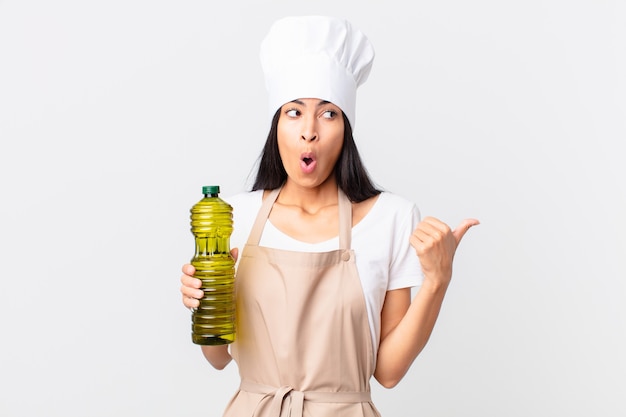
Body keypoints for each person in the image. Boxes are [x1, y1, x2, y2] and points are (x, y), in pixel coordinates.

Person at [180, 15, 479, 417]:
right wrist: (204, 301)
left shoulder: (391, 217)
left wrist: (437, 281)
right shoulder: (234, 215)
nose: (309, 132)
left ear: (346, 128)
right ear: (277, 126)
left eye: (328, 113)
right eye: (294, 112)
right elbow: (218, 359)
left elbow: (387, 372)